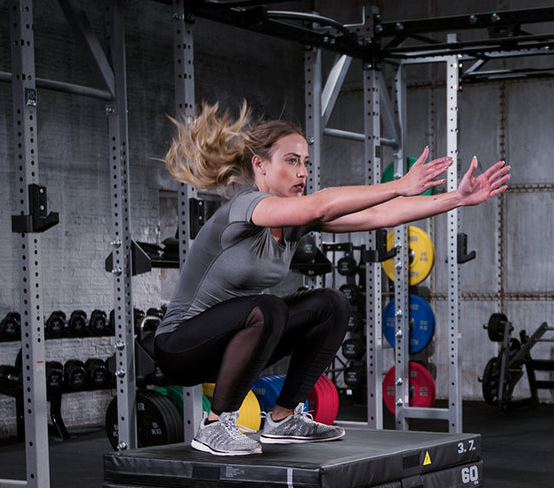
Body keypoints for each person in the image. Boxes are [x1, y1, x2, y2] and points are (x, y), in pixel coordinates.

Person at [154, 102, 510, 456]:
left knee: (330, 304)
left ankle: (282, 419)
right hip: (180, 347)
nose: (302, 172)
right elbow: (321, 205)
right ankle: (215, 426)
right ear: (259, 165)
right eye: (291, 161)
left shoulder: (295, 220)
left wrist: (457, 198)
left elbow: (381, 215)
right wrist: (399, 184)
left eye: (305, 163)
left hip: (232, 346)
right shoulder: (245, 206)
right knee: (269, 307)